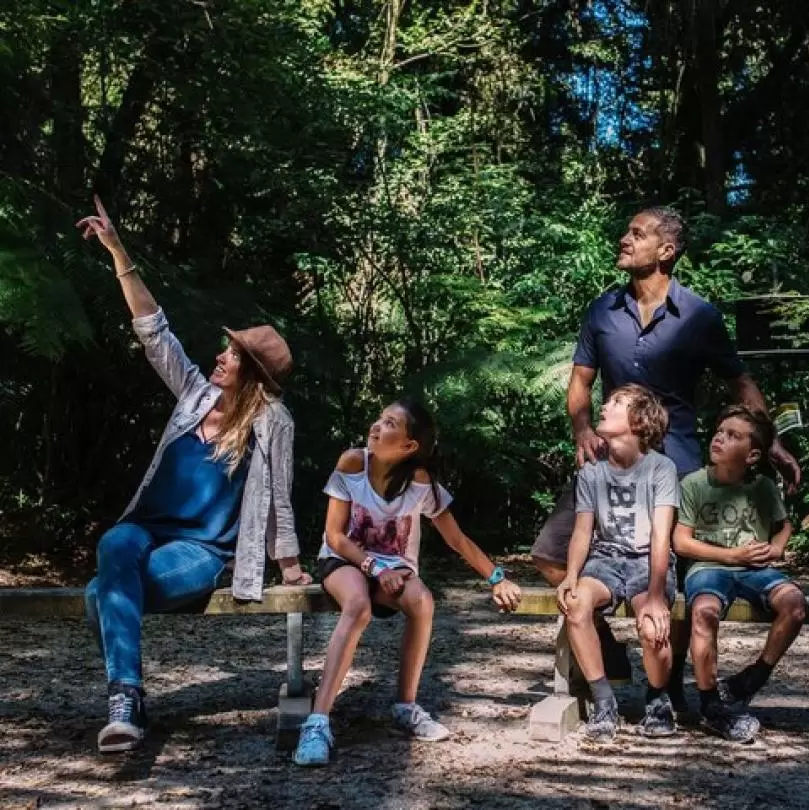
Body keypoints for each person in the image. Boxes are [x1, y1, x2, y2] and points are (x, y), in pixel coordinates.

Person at [531, 206, 801, 706]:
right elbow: (580, 383)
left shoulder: (699, 316)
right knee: (549, 554)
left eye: (637, 233)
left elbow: (740, 382)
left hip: (675, 462)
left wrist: (772, 441)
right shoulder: (601, 311)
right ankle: (606, 648)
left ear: (667, 251)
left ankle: (668, 687)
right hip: (608, 462)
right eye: (627, 231)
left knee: (668, 574)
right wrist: (583, 428)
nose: (624, 238)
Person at [76, 195, 311, 754]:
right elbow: (153, 330)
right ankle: (127, 700)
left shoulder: (271, 421)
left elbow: (279, 494)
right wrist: (117, 251)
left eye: (230, 355)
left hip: (199, 551)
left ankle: (126, 705)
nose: (219, 357)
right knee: (115, 544)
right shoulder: (194, 393)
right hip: (146, 529)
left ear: (249, 373)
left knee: (98, 597)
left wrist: (291, 564)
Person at [293, 398, 523, 766]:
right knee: (358, 605)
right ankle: (318, 722)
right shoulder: (352, 463)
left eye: (388, 423)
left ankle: (406, 706)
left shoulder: (421, 484)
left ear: (409, 445)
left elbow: (457, 539)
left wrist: (497, 577)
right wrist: (374, 568)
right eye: (379, 419)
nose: (375, 426)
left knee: (422, 601)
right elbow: (335, 536)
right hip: (346, 560)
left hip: (395, 569)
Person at [672, 405, 806, 742]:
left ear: (752, 454)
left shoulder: (763, 487)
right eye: (719, 431)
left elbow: (784, 527)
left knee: (795, 604)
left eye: (733, 436)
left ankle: (753, 677)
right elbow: (682, 543)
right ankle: (710, 704)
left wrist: (776, 548)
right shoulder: (694, 483)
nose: (720, 438)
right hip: (708, 568)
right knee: (703, 611)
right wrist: (732, 555)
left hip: (755, 570)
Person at [556, 384, 679, 740]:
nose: (605, 405)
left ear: (638, 422)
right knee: (576, 604)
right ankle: (603, 701)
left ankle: (658, 701)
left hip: (647, 559)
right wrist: (571, 576)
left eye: (616, 403)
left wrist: (656, 594)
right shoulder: (592, 471)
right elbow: (583, 532)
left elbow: (661, 536)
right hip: (606, 558)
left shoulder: (661, 468)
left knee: (652, 626)